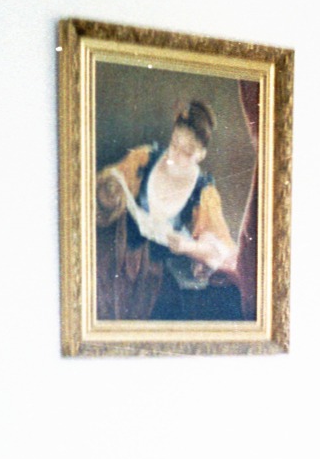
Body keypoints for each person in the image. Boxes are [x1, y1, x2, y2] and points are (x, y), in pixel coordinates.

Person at [94, 99, 244, 320]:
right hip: (114, 264)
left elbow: (219, 250)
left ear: (201, 154)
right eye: (174, 145)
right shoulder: (144, 159)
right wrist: (111, 192)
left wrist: (187, 246)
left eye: (187, 152)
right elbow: (104, 188)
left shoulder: (204, 193)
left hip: (153, 281)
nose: (175, 156)